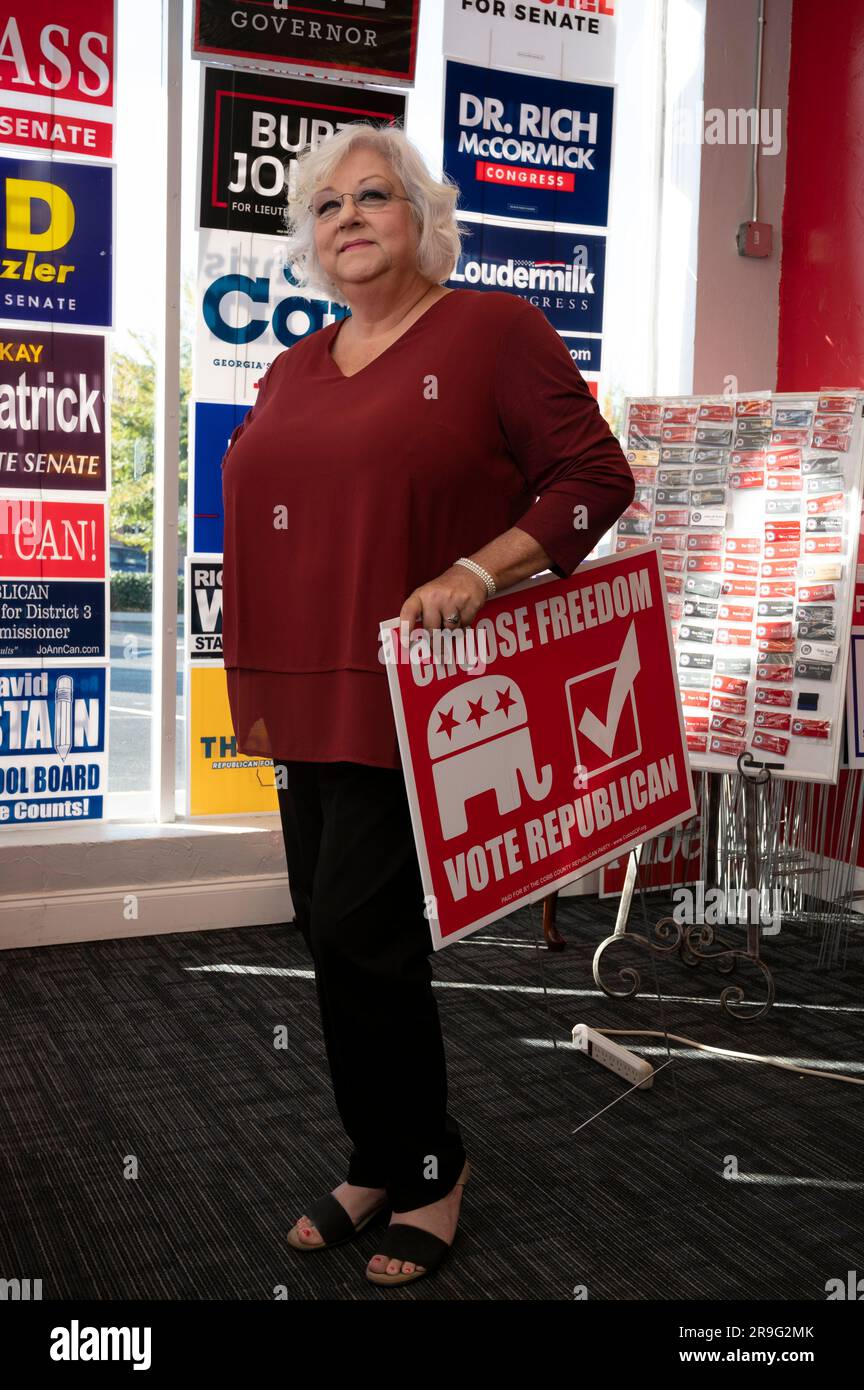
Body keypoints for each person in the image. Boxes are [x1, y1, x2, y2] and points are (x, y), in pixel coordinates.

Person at [220, 121, 635, 1288]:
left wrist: (478, 568)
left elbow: (594, 476)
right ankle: (376, 1154)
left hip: (425, 692)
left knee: (366, 929)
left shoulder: (493, 330)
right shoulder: (297, 364)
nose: (349, 217)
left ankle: (432, 1164)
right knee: (329, 927)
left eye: (375, 196)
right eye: (327, 205)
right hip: (307, 687)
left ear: (423, 221)